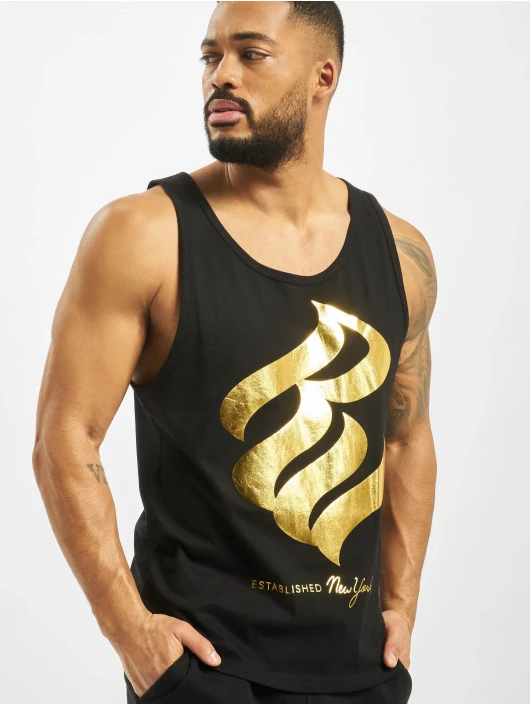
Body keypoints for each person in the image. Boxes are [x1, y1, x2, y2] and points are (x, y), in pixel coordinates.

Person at [32, 2, 438, 703]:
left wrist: (401, 606)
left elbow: (406, 437)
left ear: (323, 77)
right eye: (210, 56)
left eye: (251, 54)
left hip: (361, 672)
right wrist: (134, 637)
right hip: (205, 672)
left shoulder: (400, 254)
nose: (221, 75)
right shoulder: (144, 235)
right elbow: (63, 440)